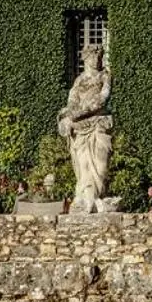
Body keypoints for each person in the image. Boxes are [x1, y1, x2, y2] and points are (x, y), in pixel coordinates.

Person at [59, 43, 114, 212]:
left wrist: (75, 115)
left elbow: (101, 100)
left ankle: (97, 197)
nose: (96, 60)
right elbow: (71, 102)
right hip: (81, 129)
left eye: (99, 57)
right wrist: (66, 117)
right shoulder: (80, 80)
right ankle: (86, 198)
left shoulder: (105, 76)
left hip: (99, 125)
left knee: (101, 165)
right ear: (86, 59)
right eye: (92, 57)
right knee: (83, 166)